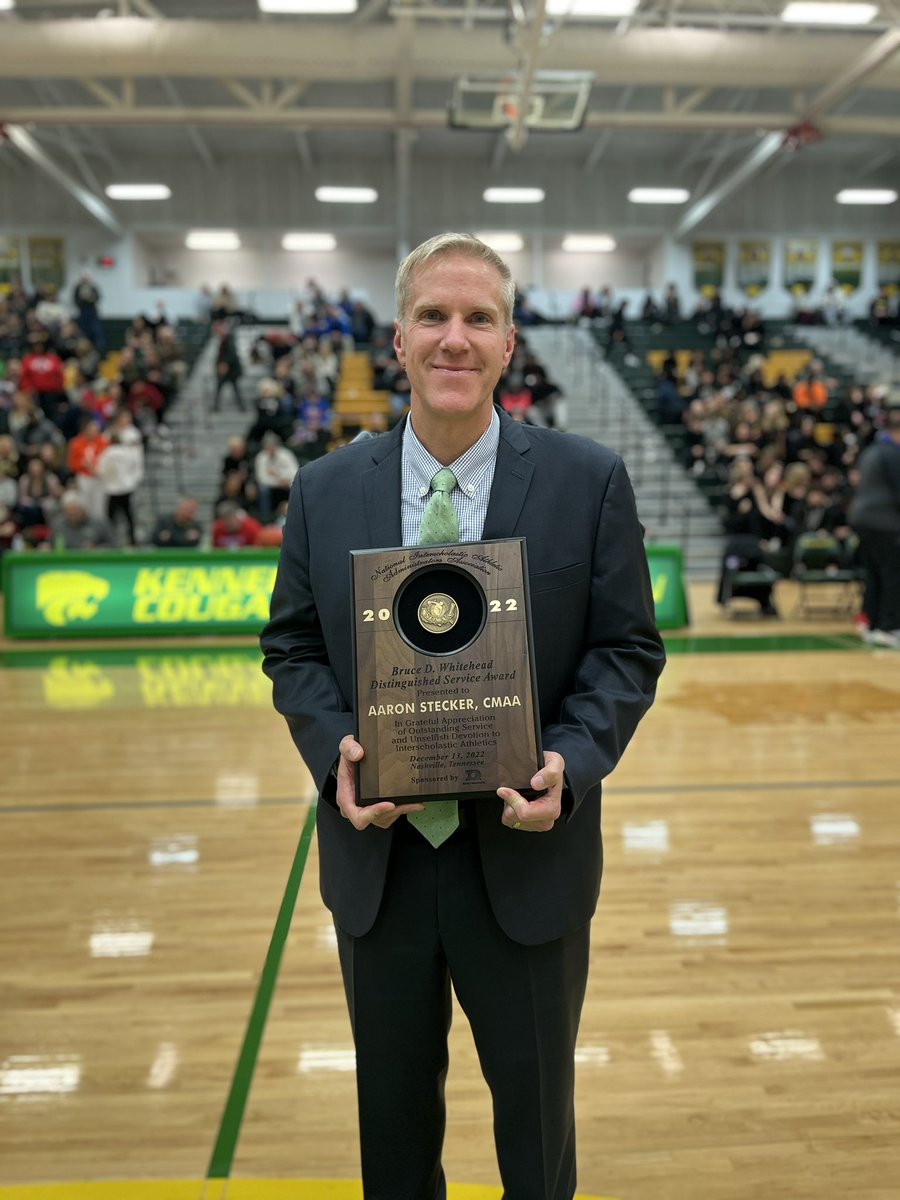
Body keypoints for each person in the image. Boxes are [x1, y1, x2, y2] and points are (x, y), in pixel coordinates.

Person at [260, 232, 665, 1200]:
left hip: (527, 864)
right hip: (381, 866)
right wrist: (335, 757)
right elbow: (293, 649)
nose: (455, 338)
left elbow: (627, 650)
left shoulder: (587, 480)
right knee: (393, 1147)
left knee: (537, 1148)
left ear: (510, 343)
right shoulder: (323, 492)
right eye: (433, 317)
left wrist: (568, 760)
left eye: (478, 317)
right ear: (396, 340)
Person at [848, 405, 900, 647]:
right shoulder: (892, 453)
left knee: (874, 573)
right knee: (893, 573)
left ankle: (869, 621)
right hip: (884, 522)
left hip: (862, 520)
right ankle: (889, 627)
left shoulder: (872, 451)